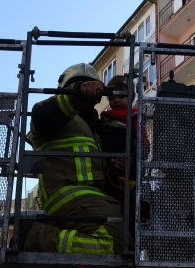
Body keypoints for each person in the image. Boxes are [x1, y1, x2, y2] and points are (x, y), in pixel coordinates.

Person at [24, 63, 123, 254]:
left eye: (91, 86)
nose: (89, 91)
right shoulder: (57, 115)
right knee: (114, 238)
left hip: (91, 199)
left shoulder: (96, 129)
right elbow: (42, 116)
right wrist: (76, 94)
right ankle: (35, 236)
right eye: (79, 84)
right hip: (65, 196)